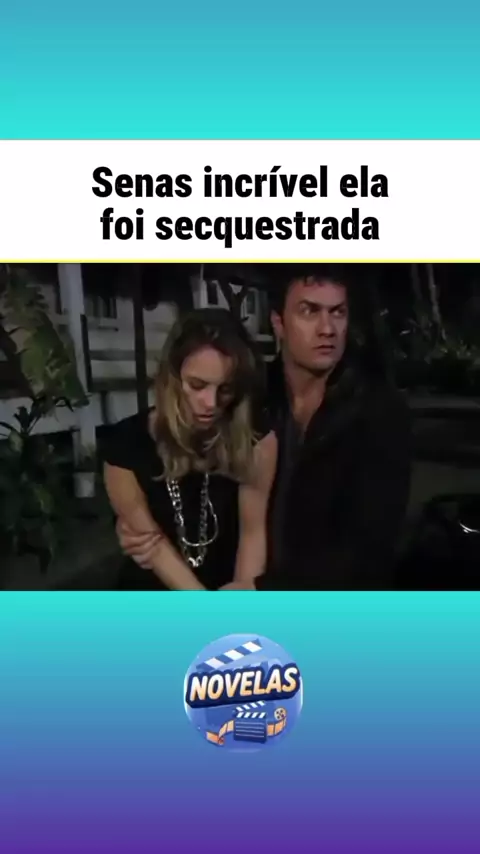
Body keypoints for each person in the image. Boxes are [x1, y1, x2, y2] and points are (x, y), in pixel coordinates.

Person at [253, 264, 411, 590]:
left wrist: (264, 590)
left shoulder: (378, 412)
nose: (327, 329)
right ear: (278, 322)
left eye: (337, 312)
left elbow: (368, 550)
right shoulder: (254, 397)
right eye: (309, 311)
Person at [103, 308, 277, 590]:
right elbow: (153, 547)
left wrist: (241, 599)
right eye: (197, 385)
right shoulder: (125, 445)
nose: (211, 403)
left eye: (225, 389)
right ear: (171, 376)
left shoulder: (257, 439)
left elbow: (253, 535)